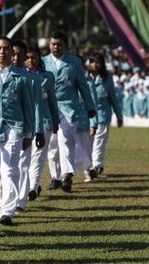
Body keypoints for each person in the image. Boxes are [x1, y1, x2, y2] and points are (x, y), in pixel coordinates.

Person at [0, 36, 34, 225]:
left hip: (14, 127)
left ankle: (7, 211)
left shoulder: (22, 76)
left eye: (6, 48)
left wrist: (29, 133)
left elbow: (28, 106)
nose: (2, 51)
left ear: (12, 52)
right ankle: (4, 200)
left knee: (9, 168)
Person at [42, 30, 96, 192]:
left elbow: (83, 86)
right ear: (49, 44)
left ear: (65, 45)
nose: (56, 47)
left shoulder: (74, 63)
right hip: (49, 109)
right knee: (52, 145)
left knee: (65, 140)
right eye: (53, 44)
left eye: (59, 44)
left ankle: (66, 176)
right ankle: (55, 176)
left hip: (69, 109)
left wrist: (90, 106)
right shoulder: (43, 62)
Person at [11, 40, 45, 213]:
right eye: (13, 53)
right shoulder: (0, 76)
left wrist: (37, 131)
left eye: (19, 54)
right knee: (2, 169)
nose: (16, 58)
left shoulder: (33, 79)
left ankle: (19, 202)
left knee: (23, 164)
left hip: (26, 128)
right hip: (4, 130)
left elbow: (38, 106)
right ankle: (7, 199)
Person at [24, 45, 59, 200]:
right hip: (24, 122)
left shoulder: (48, 77)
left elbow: (52, 100)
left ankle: (32, 187)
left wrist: (56, 120)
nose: (30, 60)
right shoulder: (19, 76)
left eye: (34, 57)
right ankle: (32, 185)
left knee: (38, 155)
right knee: (26, 156)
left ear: (39, 59)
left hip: (44, 121)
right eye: (28, 57)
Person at [87, 52, 123, 176]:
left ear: (102, 64)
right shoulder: (84, 77)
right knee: (88, 143)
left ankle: (96, 166)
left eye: (98, 62)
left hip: (103, 115)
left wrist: (119, 115)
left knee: (99, 142)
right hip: (87, 117)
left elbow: (113, 98)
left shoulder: (107, 79)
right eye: (92, 61)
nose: (95, 65)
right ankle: (90, 166)